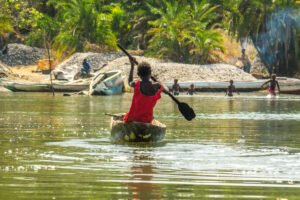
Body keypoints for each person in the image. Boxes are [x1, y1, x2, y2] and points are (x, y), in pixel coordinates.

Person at [123, 56, 165, 123]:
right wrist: (159, 84)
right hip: (147, 120)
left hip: (133, 118)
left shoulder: (136, 84)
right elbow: (165, 90)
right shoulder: (157, 85)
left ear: (138, 74)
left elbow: (129, 82)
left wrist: (132, 66)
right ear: (150, 73)